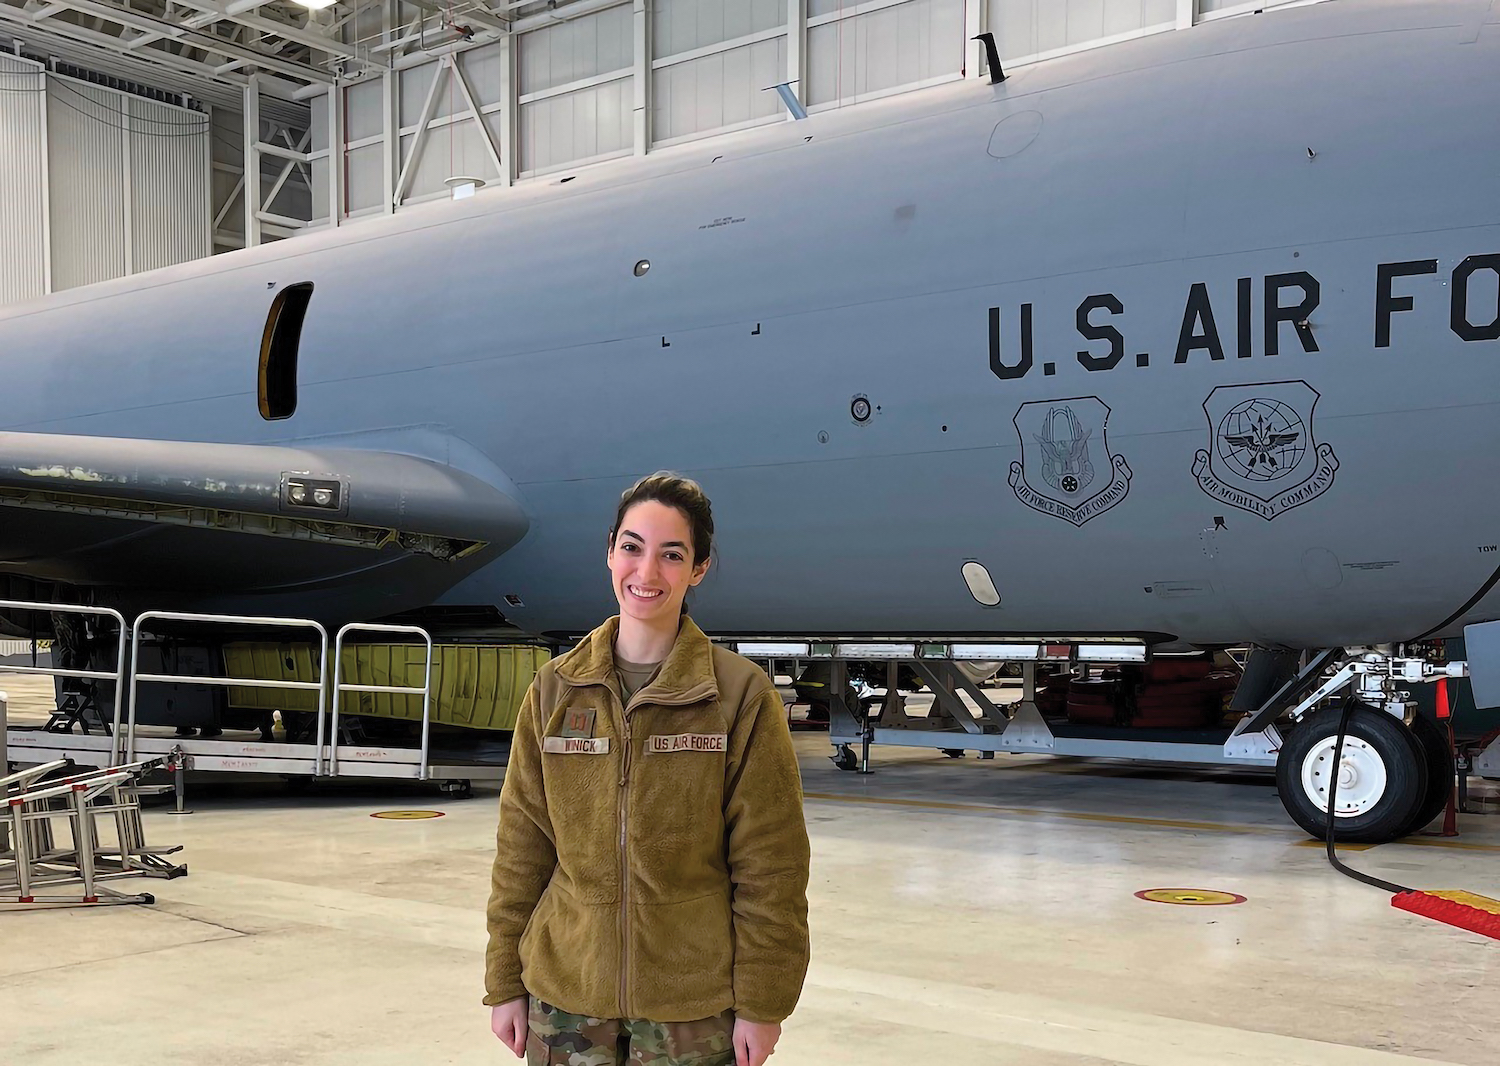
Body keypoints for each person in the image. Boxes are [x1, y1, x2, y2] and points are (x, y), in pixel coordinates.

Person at [484, 473, 811, 1066]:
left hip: (693, 1008)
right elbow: (522, 846)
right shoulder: (556, 690)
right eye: (632, 547)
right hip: (565, 998)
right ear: (610, 551)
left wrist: (764, 1003)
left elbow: (772, 864)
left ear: (700, 568)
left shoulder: (737, 696)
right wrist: (505, 980)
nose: (647, 572)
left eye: (672, 554)